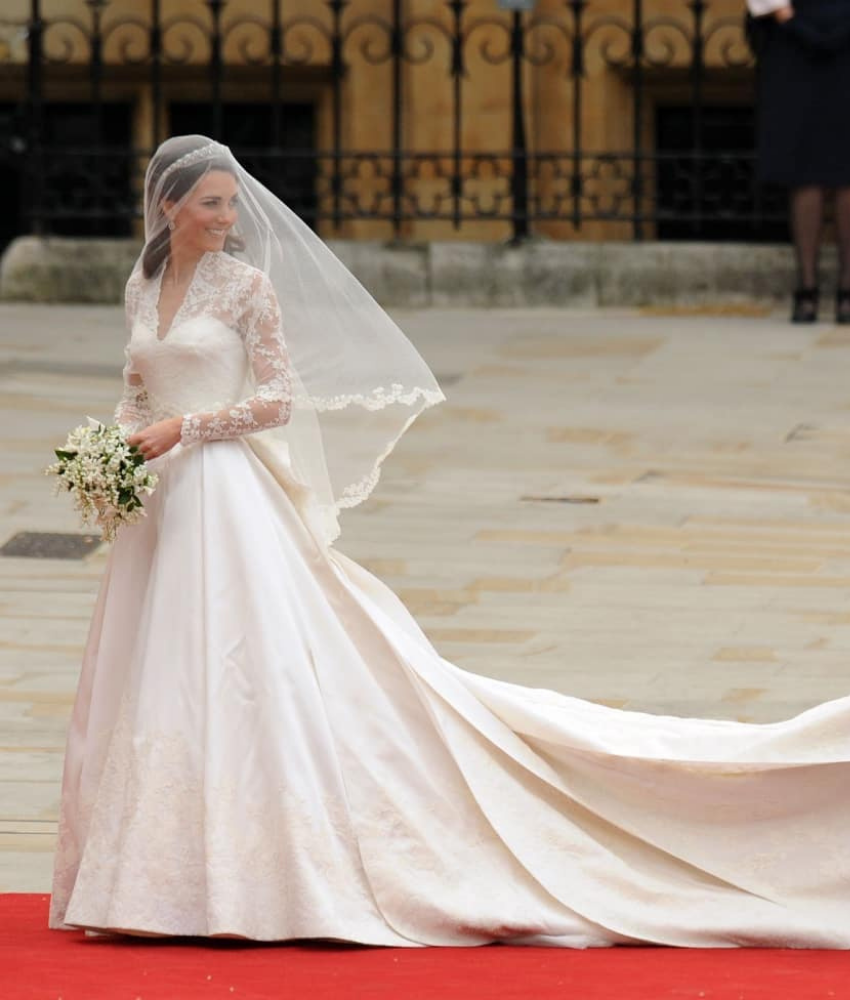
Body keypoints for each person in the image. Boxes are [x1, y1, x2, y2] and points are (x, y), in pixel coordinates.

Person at [48, 135, 849, 948]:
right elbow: (134, 384)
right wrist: (113, 454)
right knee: (155, 666)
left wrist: (187, 428)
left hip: (226, 496)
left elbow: (281, 399)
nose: (226, 216)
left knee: (235, 665)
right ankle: (155, 872)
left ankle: (259, 868)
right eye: (211, 203)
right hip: (163, 503)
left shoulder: (247, 288)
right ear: (169, 207)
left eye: (230, 202)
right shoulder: (143, 282)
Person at [748, 0, 850, 322]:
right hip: (796, 59)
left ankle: (821, 291)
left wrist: (787, 20)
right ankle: (815, 287)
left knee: (845, 174)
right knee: (807, 171)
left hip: (815, 47)